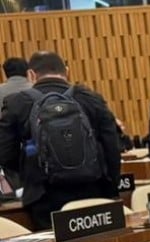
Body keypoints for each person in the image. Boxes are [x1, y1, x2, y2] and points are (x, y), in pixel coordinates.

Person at [0, 51, 121, 230]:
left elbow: (5, 153)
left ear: (31, 74)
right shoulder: (90, 98)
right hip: (93, 190)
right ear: (66, 71)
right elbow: (112, 146)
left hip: (44, 196)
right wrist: (111, 186)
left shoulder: (17, 103)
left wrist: (30, 172)